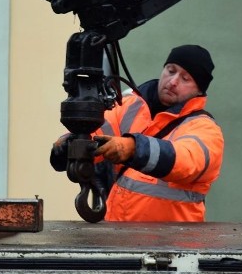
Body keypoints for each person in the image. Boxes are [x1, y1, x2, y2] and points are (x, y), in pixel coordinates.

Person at [52, 44, 224, 222]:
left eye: (185, 78)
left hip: (174, 244)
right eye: (171, 70)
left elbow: (186, 160)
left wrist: (134, 148)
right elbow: (96, 133)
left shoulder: (205, 129)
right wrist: (70, 146)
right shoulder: (128, 106)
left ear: (199, 90)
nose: (173, 81)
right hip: (119, 237)